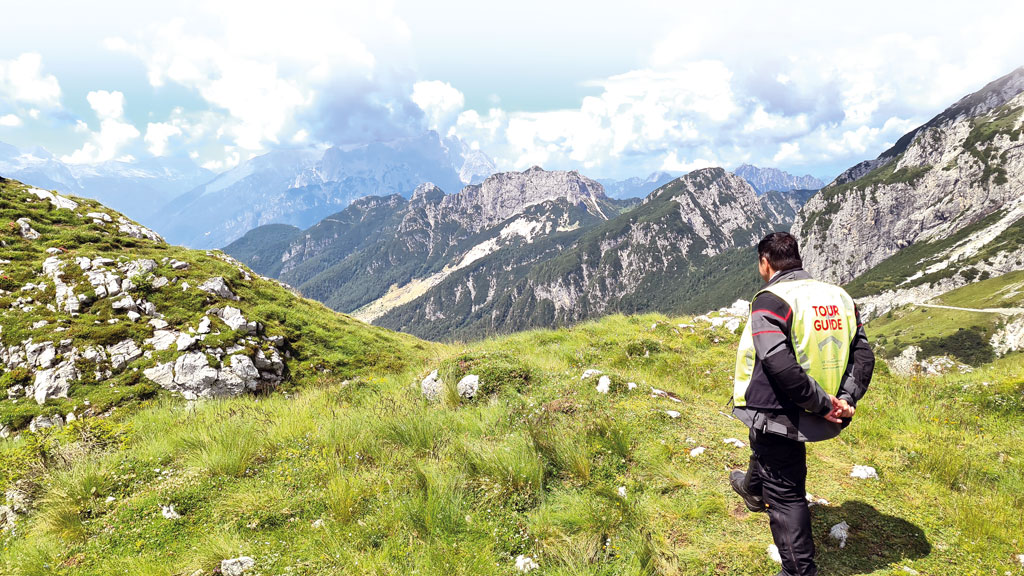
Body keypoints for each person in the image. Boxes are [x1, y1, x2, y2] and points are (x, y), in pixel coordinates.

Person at [729, 232, 874, 576]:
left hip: (782, 410)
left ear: (765, 263)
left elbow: (778, 362)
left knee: (786, 493)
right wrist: (846, 399)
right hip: (820, 404)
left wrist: (822, 404)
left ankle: (798, 571)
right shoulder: (840, 296)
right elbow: (863, 354)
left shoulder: (771, 299)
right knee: (763, 445)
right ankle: (751, 489)